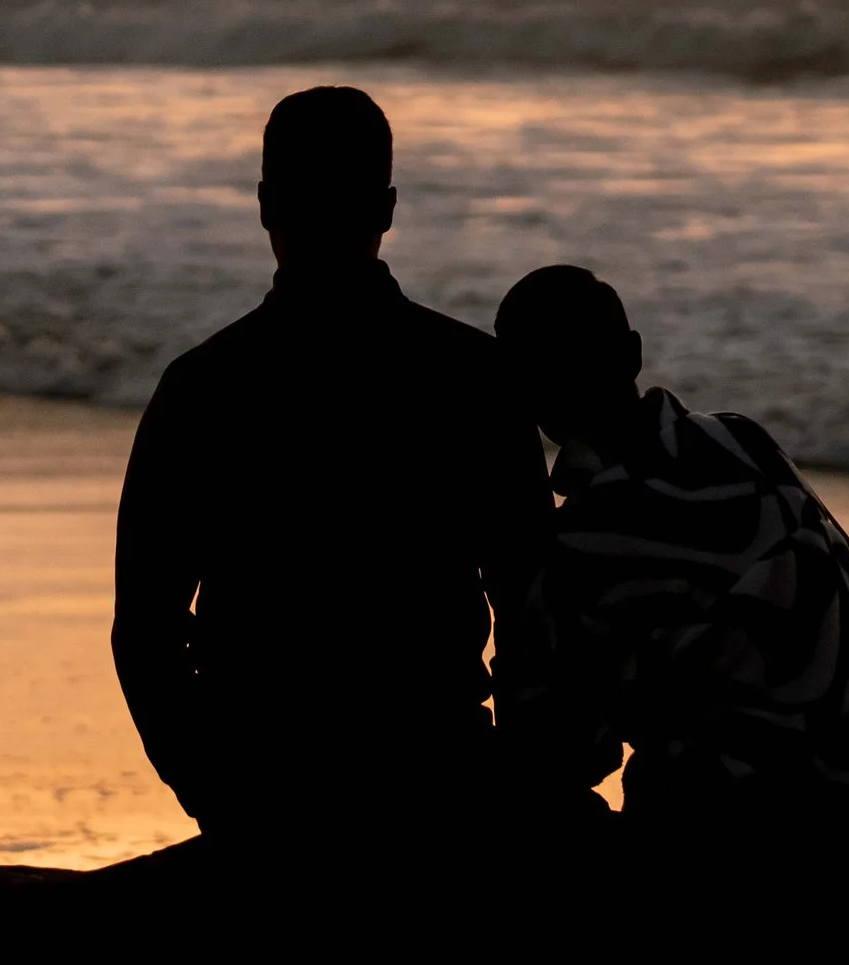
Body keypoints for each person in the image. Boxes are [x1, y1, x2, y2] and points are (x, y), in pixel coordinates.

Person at [111, 87, 555, 841]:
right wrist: (521, 774)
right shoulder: (472, 375)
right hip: (436, 774)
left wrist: (209, 784)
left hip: (263, 784)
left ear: (263, 205)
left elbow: (145, 632)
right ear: (386, 207)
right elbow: (532, 605)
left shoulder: (204, 385)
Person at [495, 264, 849, 820]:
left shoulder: (587, 541)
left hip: (725, 817)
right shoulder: (747, 442)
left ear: (523, 391)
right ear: (633, 354)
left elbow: (555, 748)